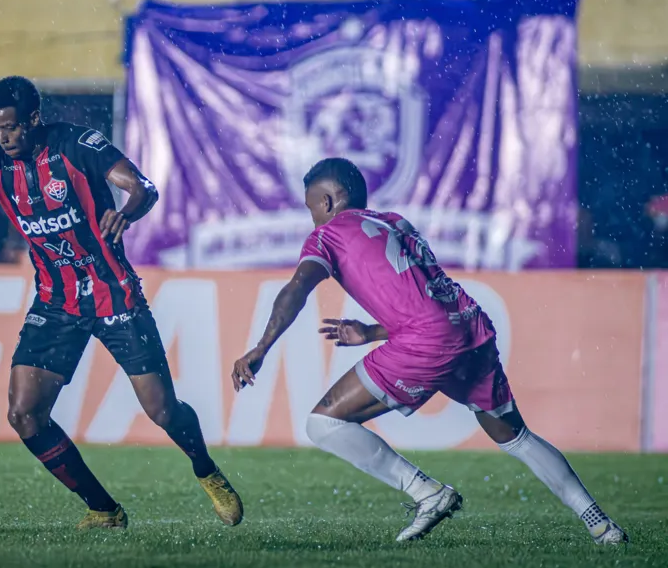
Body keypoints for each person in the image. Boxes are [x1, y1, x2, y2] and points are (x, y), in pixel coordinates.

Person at [0, 76, 242, 530]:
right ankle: (104, 508)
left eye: (11, 127)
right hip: (57, 301)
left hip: (113, 291)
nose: (4, 137)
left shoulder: (75, 144)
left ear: (33, 119)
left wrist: (125, 211)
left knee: (161, 410)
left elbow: (142, 188)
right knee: (24, 412)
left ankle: (205, 469)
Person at [231, 157, 628, 545]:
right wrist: (371, 331)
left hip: (426, 340)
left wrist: (262, 347)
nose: (312, 219)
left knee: (324, 424)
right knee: (516, 437)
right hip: (469, 324)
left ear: (330, 201)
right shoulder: (394, 222)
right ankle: (601, 525)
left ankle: (426, 492)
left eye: (312, 208)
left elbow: (296, 290)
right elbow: (427, 298)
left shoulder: (327, 235)